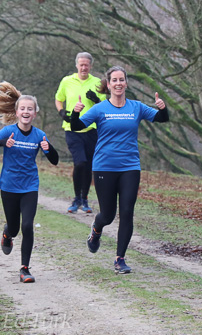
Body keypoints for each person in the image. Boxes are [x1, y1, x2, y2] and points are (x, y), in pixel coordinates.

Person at [66, 66, 169, 274]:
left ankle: (119, 259)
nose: (119, 83)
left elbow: (162, 118)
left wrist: (163, 107)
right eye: (115, 80)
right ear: (109, 84)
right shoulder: (99, 109)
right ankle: (96, 229)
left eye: (122, 79)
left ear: (126, 83)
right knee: (108, 215)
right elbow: (77, 127)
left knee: (127, 212)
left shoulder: (136, 107)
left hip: (130, 167)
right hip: (104, 166)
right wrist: (75, 114)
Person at [0, 82, 59, 283]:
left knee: (27, 226)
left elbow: (55, 160)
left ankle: (25, 268)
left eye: (30, 109)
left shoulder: (39, 135)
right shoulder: (8, 131)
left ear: (34, 114)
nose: (26, 112)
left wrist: (48, 149)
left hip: (29, 186)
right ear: (17, 112)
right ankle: (8, 233)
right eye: (23, 108)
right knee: (15, 227)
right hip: (8, 185)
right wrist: (2, 143)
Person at [55, 52, 105, 214]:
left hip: (91, 130)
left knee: (89, 165)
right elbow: (58, 98)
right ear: (76, 65)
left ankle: (84, 199)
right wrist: (61, 111)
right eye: (81, 64)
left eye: (87, 65)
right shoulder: (66, 81)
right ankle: (76, 198)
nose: (84, 67)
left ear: (90, 66)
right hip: (72, 129)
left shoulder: (97, 82)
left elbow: (105, 105)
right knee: (80, 163)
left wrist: (96, 100)